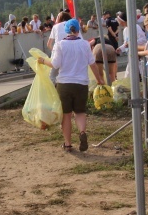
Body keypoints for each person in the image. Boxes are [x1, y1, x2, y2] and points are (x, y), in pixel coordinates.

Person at [38, 19, 104, 152]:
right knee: (80, 112)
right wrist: (99, 79)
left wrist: (44, 61)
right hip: (81, 84)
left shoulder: (60, 44)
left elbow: (55, 64)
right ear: (78, 30)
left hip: (64, 84)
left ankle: (68, 144)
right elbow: (92, 63)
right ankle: (82, 132)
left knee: (66, 115)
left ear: (66, 31)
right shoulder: (85, 44)